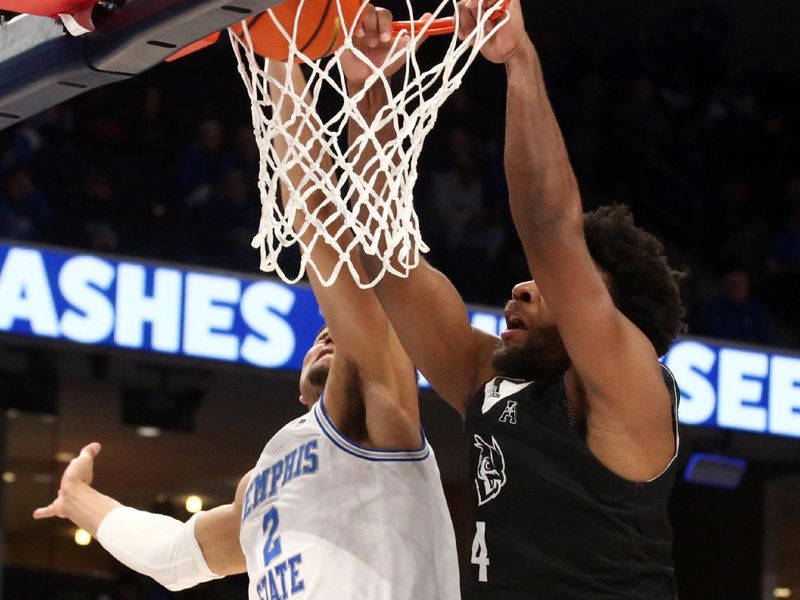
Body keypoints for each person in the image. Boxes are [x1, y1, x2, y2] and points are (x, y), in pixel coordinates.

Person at [32, 7, 460, 600]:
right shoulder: (266, 478)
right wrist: (79, 498)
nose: (329, 334)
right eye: (320, 333)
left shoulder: (378, 410)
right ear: (297, 386)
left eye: (338, 327)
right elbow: (176, 556)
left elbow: (332, 242)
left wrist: (287, 61)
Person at [365, 0, 686, 598]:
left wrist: (518, 59)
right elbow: (387, 260)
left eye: (558, 284)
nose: (523, 286)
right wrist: (370, 88)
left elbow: (546, 226)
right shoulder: (493, 382)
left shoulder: (629, 387)